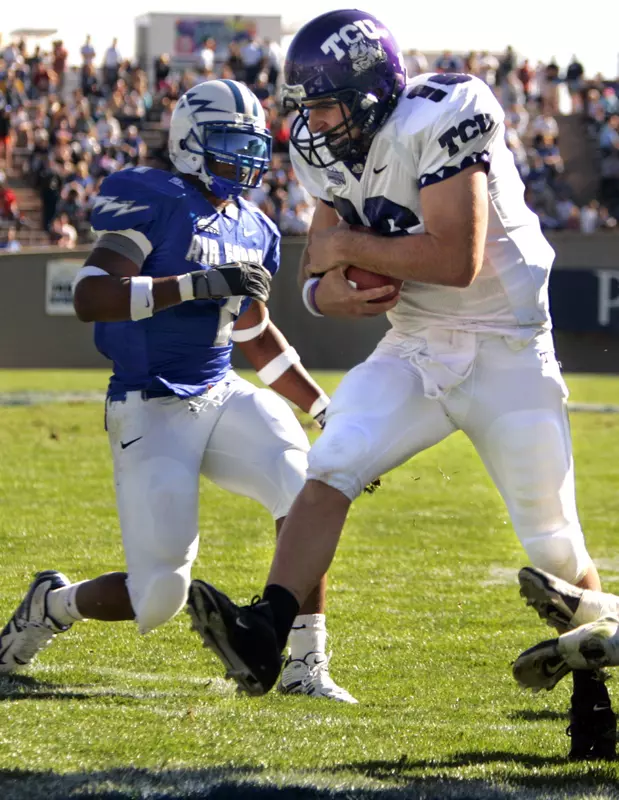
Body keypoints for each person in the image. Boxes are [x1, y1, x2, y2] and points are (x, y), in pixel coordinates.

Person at [182, 10, 616, 759]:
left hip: (506, 349)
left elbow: (455, 259)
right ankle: (266, 631)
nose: (311, 125)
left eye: (323, 105)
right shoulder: (328, 154)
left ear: (371, 92)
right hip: (414, 345)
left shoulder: (447, 111)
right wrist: (326, 296)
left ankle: (592, 688)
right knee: (333, 461)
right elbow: (317, 271)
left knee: (550, 539)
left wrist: (345, 247)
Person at [0, 78, 356, 703]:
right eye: (227, 142)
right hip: (150, 401)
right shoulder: (154, 198)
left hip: (220, 391)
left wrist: (324, 408)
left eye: (251, 145)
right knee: (158, 594)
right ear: (190, 142)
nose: (243, 159)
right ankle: (52, 605)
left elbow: (254, 330)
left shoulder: (255, 227)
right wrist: (193, 285)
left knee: (303, 486)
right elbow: (91, 296)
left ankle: (305, 664)